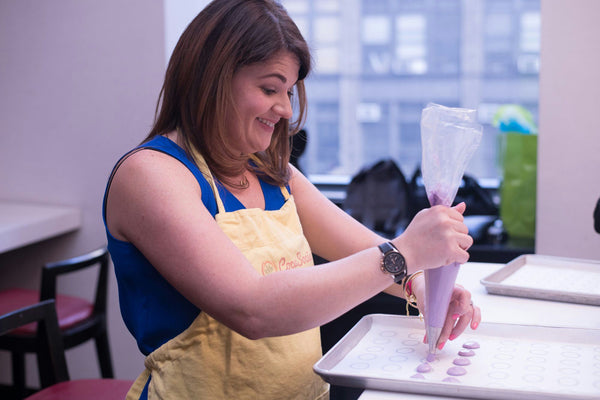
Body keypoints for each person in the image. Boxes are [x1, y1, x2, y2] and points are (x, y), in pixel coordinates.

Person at [102, 1, 481, 399]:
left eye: (288, 91)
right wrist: (404, 254)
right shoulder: (150, 176)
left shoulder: (271, 173)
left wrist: (420, 285)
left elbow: (364, 249)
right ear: (210, 78)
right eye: (269, 88)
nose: (284, 109)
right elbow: (252, 308)